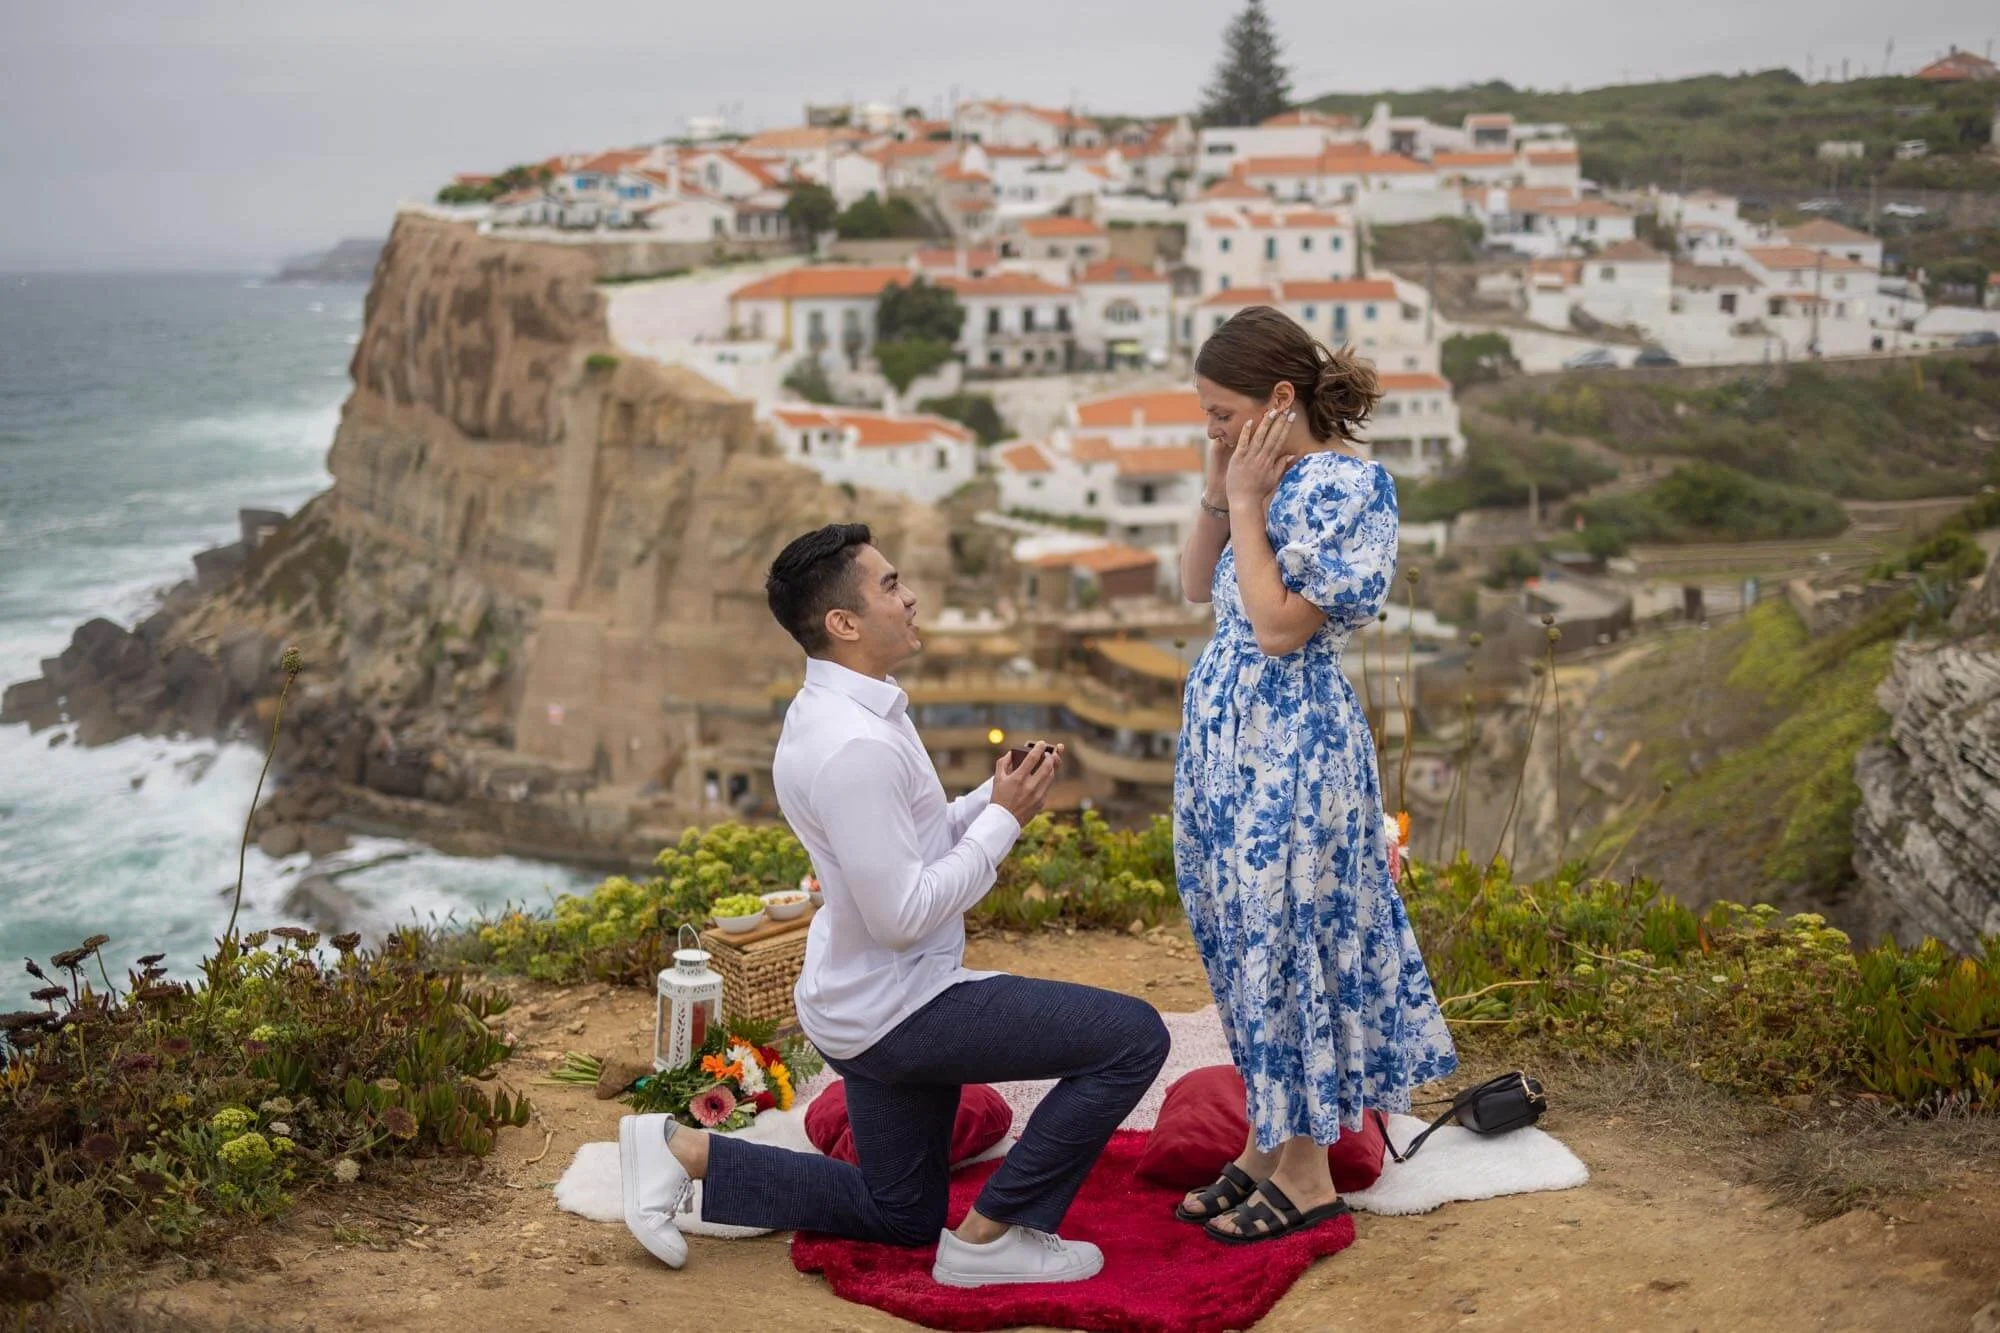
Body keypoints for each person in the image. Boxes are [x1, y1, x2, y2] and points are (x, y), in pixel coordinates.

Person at [620, 523, 1170, 1286]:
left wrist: (993, 797)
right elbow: (903, 914)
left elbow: (915, 838)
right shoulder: (856, 748)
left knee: (902, 1212)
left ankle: (677, 1151)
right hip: (900, 1007)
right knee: (1132, 1038)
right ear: (843, 623)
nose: (909, 597)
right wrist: (1005, 824)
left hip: (862, 995)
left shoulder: (849, 711)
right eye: (889, 586)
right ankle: (989, 1242)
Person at [1171, 307, 1458, 1243]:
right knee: (1238, 933)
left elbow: (1277, 625)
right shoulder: (1255, 475)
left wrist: (1249, 503)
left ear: (1279, 399)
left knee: (1287, 936)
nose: (1211, 427)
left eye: (1222, 413)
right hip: (1228, 744)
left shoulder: (1347, 488)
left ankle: (1308, 1172)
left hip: (1294, 745)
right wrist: (1223, 484)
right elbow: (1189, 583)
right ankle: (1270, 1133)